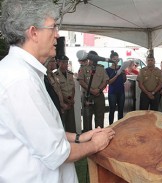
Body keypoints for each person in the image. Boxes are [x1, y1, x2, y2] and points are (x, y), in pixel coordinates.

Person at [0, 1, 115, 183]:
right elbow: (56, 153)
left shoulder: (22, 72)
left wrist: (79, 137)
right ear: (33, 32)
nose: (57, 35)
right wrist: (94, 144)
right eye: (53, 27)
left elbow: (43, 131)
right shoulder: (20, 80)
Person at [77, 50, 109, 132]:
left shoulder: (101, 68)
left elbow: (105, 81)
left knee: (99, 117)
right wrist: (91, 91)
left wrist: (98, 90)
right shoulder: (83, 68)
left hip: (99, 96)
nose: (90, 61)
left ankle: (99, 136)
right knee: (87, 118)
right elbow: (81, 81)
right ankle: (88, 137)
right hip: (88, 96)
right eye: (89, 59)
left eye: (92, 59)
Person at [54, 55, 76, 133]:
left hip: (71, 102)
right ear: (58, 63)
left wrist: (72, 99)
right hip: (62, 103)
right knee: (61, 123)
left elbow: (73, 88)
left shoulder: (70, 74)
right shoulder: (55, 75)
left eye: (66, 62)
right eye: (63, 62)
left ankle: (73, 140)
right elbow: (58, 90)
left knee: (71, 123)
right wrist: (66, 100)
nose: (65, 64)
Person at [106, 50, 127, 124]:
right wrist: (117, 74)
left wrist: (123, 74)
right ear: (111, 60)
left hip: (121, 92)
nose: (116, 61)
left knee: (121, 110)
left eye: (117, 59)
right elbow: (109, 82)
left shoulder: (121, 68)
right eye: (114, 59)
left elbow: (124, 80)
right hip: (112, 93)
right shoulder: (107, 70)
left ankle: (120, 126)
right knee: (112, 110)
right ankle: (111, 126)